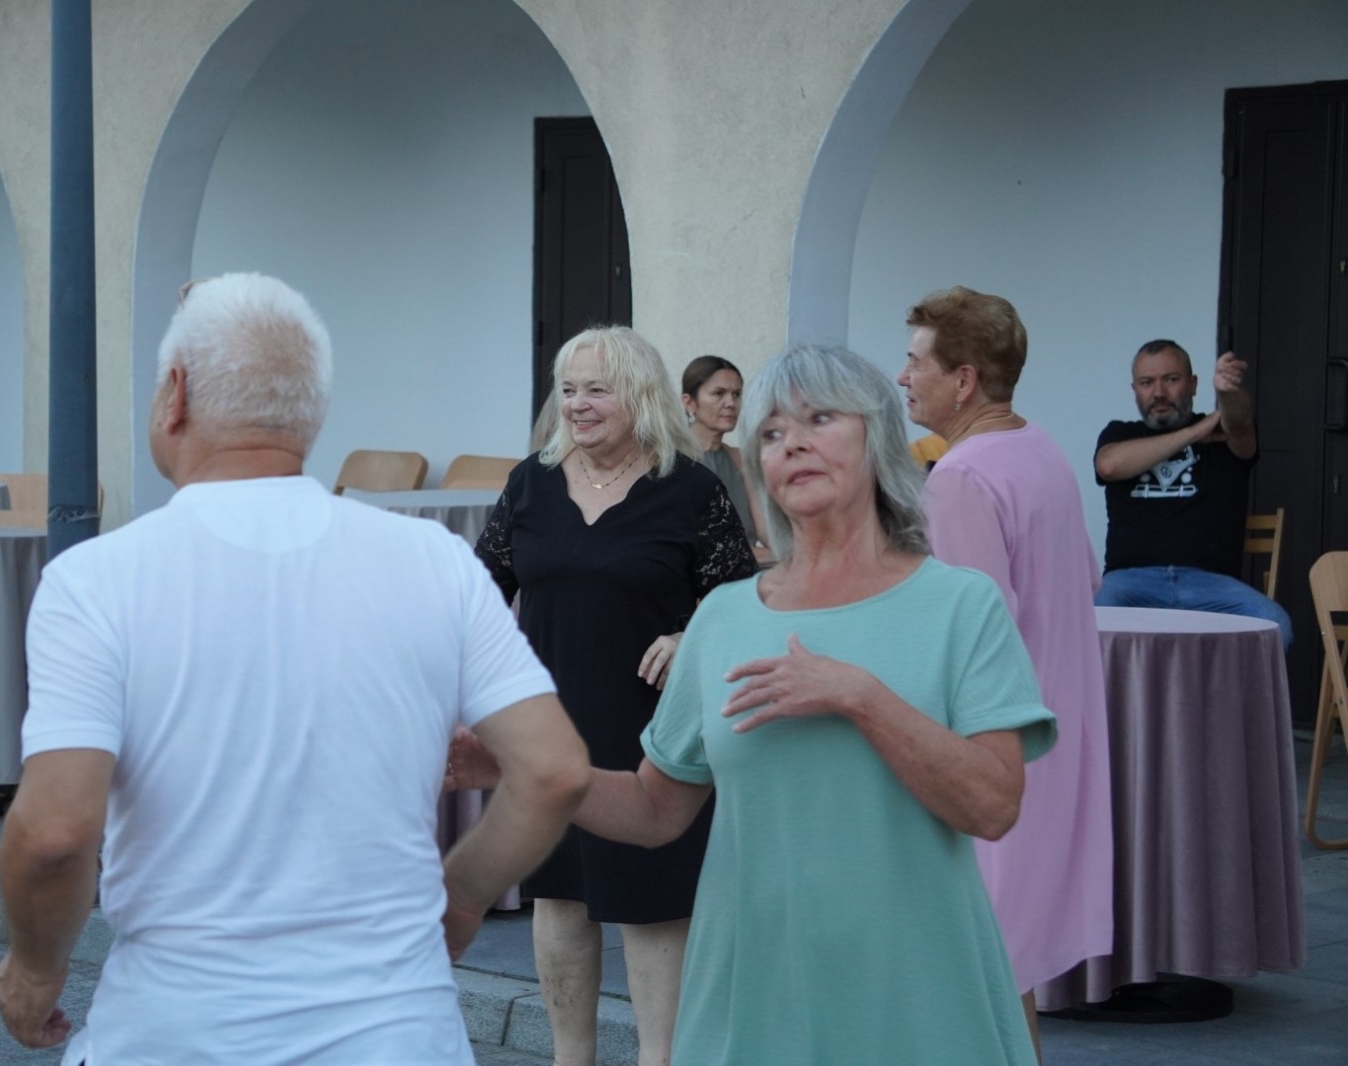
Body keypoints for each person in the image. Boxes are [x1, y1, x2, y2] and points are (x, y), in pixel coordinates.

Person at [0, 273, 591, 1064]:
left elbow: (55, 832)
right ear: (311, 412)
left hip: (178, 1035)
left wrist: (35, 968)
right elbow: (554, 771)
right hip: (398, 1033)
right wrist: (462, 896)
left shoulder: (96, 581)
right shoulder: (434, 560)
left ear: (175, 395)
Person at [457, 343, 1054, 1063]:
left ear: (878, 439)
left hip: (914, 994)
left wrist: (860, 697)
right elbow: (653, 811)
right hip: (750, 997)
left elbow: (992, 805)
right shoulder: (726, 618)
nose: (791, 441)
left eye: (819, 419)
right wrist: (517, 766)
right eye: (771, 431)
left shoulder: (960, 606)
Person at [474, 326, 756, 1066]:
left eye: (596, 389)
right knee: (560, 895)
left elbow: (741, 601)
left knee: (652, 905)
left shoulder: (690, 489)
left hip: (653, 732)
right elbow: (479, 590)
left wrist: (693, 635)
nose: (577, 404)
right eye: (568, 389)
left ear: (639, 395)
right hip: (551, 725)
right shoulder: (530, 483)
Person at [898, 286, 1114, 1050]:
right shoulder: (1040, 448)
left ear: (963, 380)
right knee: (1002, 971)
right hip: (1051, 739)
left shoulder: (962, 476)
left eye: (916, 361)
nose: (902, 377)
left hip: (993, 754)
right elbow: (1084, 578)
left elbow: (965, 638)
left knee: (973, 971)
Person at [1092, 340, 1291, 644]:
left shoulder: (1223, 434)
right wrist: (1194, 433)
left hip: (1213, 586)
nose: (1159, 392)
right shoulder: (1120, 433)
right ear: (1135, 389)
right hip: (1130, 583)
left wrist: (1227, 392)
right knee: (1090, 624)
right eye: (1147, 382)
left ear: (1194, 384)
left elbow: (1239, 422)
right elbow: (1108, 466)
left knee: (1276, 626)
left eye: (1171, 379)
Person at [681, 355, 770, 560]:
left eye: (736, 394)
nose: (731, 403)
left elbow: (768, 531)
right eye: (718, 393)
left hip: (751, 569)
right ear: (690, 403)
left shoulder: (740, 458)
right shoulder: (671, 459)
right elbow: (700, 547)